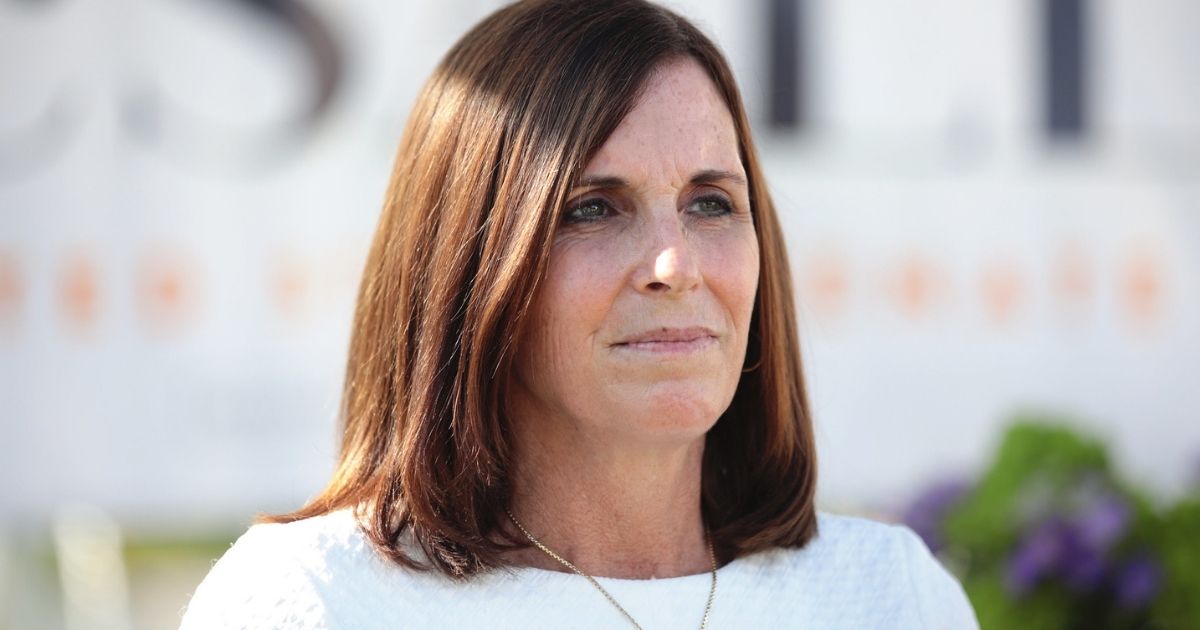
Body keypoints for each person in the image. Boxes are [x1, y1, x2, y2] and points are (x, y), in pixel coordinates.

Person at [180, 0, 978, 627]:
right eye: (593, 209)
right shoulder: (311, 604)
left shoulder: (891, 597)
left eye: (710, 202)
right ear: (466, 263)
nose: (675, 265)